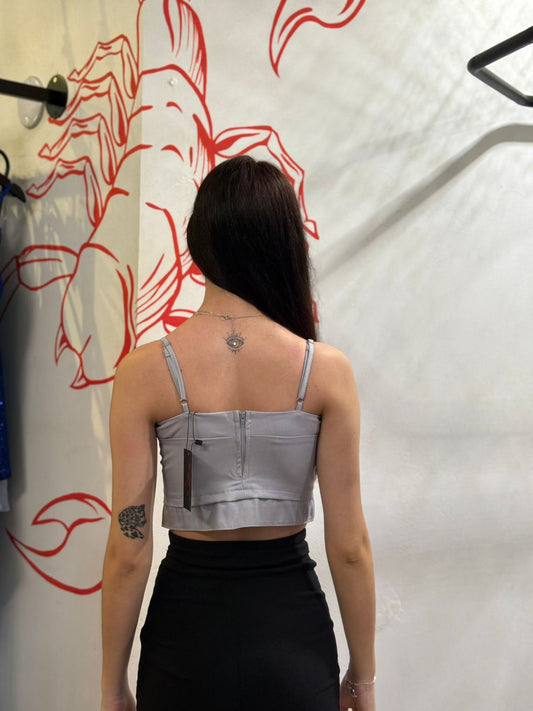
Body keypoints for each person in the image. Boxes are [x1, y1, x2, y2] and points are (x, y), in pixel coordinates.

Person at [100, 156, 376, 711]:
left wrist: (112, 688)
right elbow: (350, 549)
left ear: (198, 242)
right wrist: (362, 679)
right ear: (284, 243)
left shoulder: (143, 372)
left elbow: (129, 544)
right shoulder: (325, 371)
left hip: (184, 640)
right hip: (293, 638)